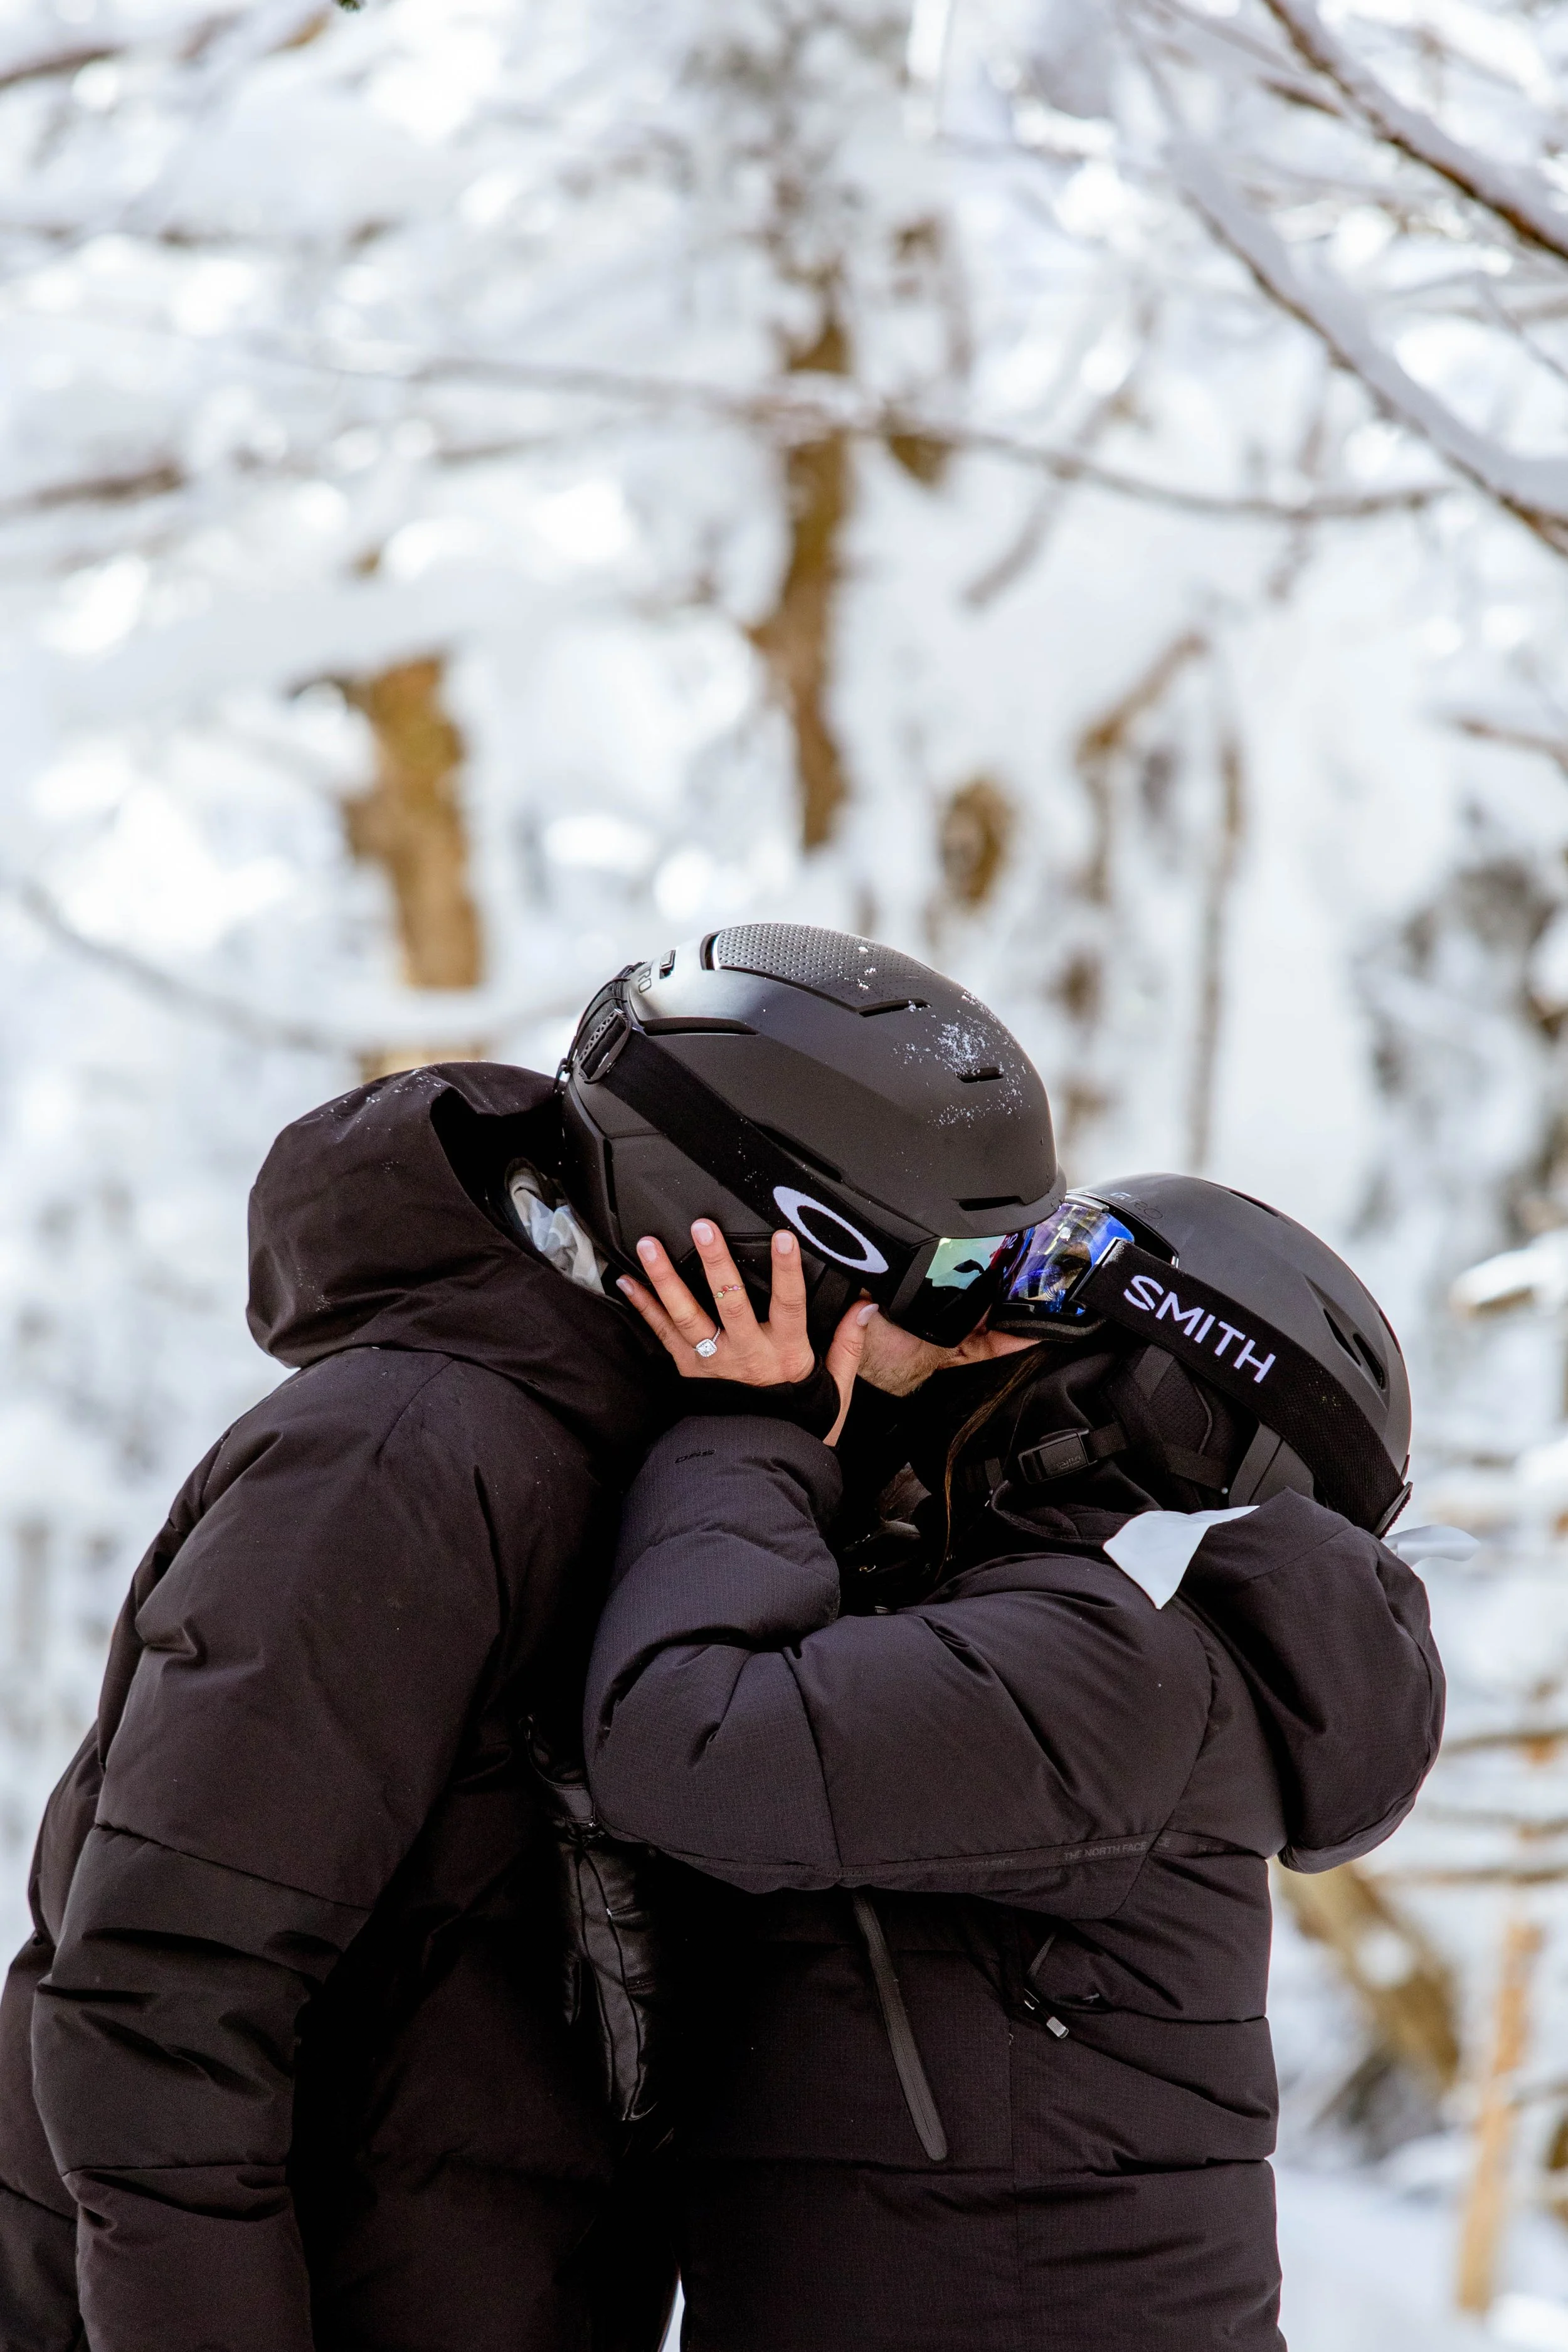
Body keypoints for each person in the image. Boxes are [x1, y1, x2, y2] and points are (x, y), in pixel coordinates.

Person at [0, 923, 1062, 2352]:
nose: (984, 1330)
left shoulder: (704, 1473)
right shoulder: (403, 1466)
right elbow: (158, 2007)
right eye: (954, 1280)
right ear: (750, 1247)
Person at [585, 1160, 1446, 2351]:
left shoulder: (1119, 1667)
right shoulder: (1055, 1625)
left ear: (1174, 1402)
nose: (971, 1322)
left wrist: (753, 1430)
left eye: (1044, 1286)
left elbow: (690, 1739)